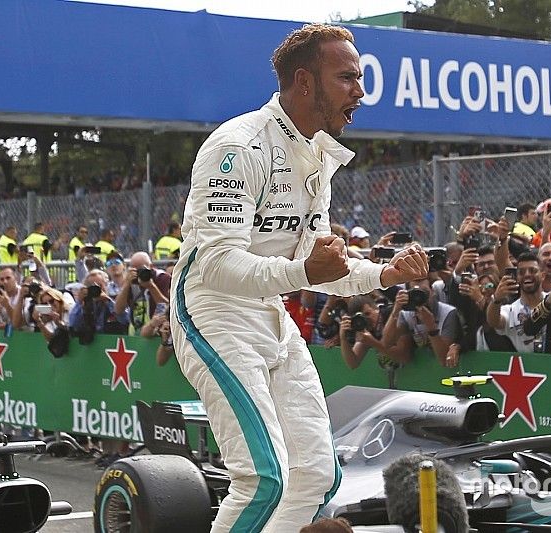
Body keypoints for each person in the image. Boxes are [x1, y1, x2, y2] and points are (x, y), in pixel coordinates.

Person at [169, 24, 428, 533]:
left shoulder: (318, 154)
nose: (360, 91)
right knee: (264, 479)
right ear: (305, 82)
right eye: (348, 78)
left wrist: (384, 273)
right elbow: (217, 265)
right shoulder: (238, 146)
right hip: (212, 309)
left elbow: (319, 266)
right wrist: (303, 271)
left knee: (314, 475)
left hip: (269, 311)